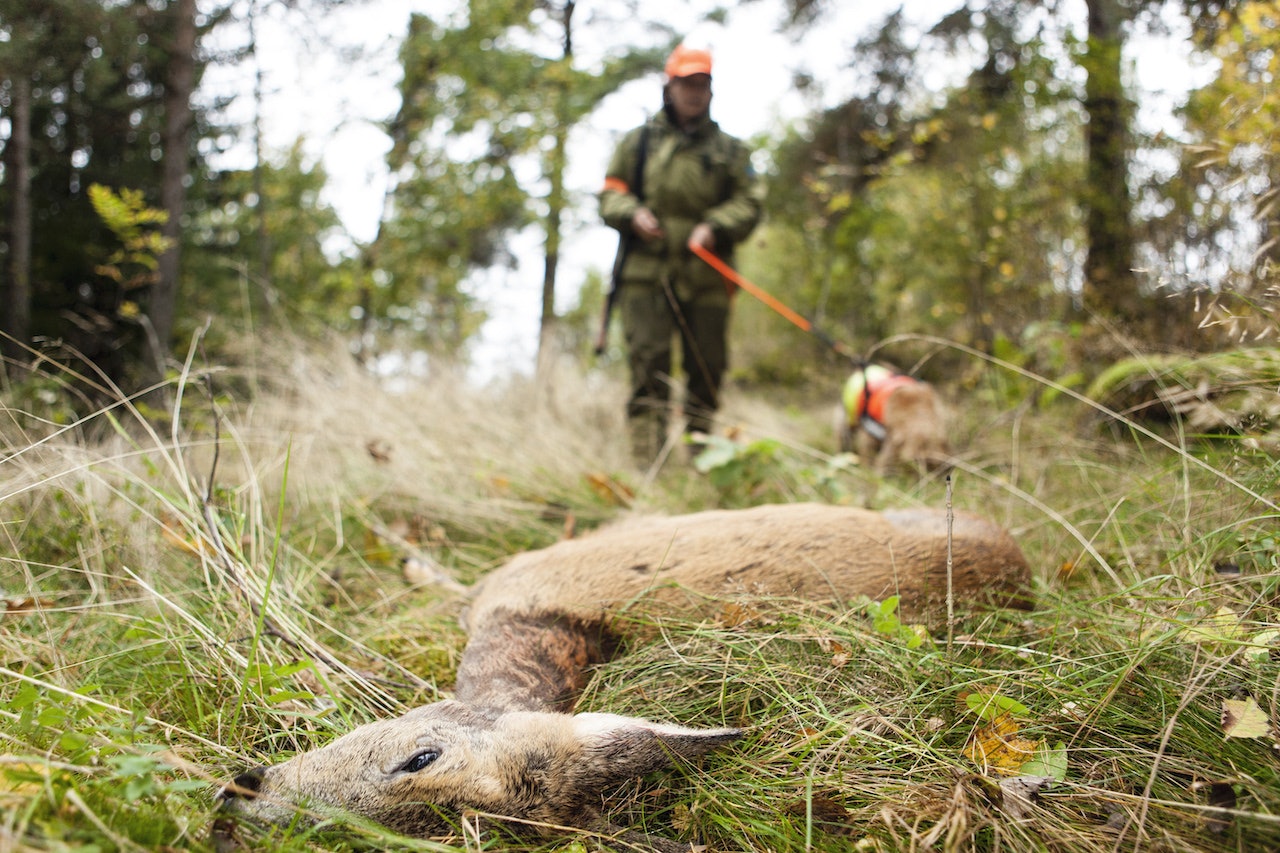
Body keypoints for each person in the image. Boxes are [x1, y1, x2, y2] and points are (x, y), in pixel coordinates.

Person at [598, 44, 764, 468]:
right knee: (648, 371)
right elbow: (610, 196)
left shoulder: (730, 151)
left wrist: (714, 226)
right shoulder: (637, 144)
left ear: (711, 90)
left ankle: (701, 463)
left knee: (707, 371)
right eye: (686, 83)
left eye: (702, 84)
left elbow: (750, 203)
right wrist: (632, 214)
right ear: (668, 86)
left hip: (707, 276)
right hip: (645, 275)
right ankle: (648, 471)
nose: (694, 92)